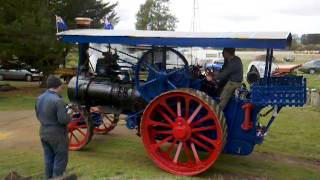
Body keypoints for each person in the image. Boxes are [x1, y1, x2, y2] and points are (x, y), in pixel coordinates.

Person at [35, 75, 72, 179]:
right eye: (61, 86)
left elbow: (38, 114)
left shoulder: (39, 98)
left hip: (43, 132)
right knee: (60, 159)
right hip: (57, 134)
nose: (61, 89)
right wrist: (70, 112)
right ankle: (57, 178)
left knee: (48, 158)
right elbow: (64, 120)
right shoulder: (58, 100)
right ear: (57, 86)